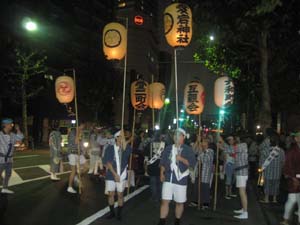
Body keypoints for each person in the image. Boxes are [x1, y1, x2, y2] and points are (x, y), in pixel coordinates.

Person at [157, 128, 196, 225]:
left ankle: (177, 220)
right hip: (168, 178)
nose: (176, 137)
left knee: (179, 202)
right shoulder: (168, 148)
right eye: (175, 135)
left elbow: (192, 164)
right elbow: (163, 162)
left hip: (181, 179)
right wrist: (162, 173)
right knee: (165, 201)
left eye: (178, 135)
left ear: (183, 137)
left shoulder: (188, 149)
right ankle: (162, 221)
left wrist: (181, 159)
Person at [103, 130, 132, 221]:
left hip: (122, 175)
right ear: (116, 138)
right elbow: (107, 162)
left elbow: (127, 153)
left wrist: (126, 142)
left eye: (123, 137)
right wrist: (115, 174)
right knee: (111, 194)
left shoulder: (126, 148)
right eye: (121, 136)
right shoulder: (110, 148)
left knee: (120, 195)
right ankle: (112, 212)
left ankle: (119, 214)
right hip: (111, 174)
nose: (123, 138)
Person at [280, 131, 300, 225]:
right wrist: (294, 178)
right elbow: (287, 167)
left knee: (292, 200)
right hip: (294, 179)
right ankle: (286, 219)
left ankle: (286, 219)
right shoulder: (291, 151)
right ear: (296, 139)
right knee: (292, 200)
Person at [259, 134, 285, 203]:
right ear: (277, 142)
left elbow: (261, 162)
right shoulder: (281, 151)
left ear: (270, 142)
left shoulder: (265, 151)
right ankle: (274, 199)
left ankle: (266, 199)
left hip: (268, 172)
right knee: (276, 186)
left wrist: (261, 169)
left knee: (267, 185)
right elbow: (283, 162)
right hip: (277, 173)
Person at [0, 119, 23, 194]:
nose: (12, 126)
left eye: (12, 124)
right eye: (10, 124)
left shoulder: (12, 134)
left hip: (10, 159)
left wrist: (18, 129)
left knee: (8, 174)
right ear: (5, 125)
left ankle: (5, 188)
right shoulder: (0, 134)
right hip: (1, 159)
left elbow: (20, 137)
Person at [67, 124, 87, 194]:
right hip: (72, 153)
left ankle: (77, 177)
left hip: (79, 153)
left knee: (86, 166)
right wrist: (78, 133)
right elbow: (76, 142)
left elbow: (81, 143)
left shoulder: (81, 132)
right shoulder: (72, 132)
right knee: (73, 170)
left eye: (83, 127)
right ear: (78, 126)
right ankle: (69, 187)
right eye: (82, 126)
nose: (83, 128)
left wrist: (84, 151)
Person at [233, 137, 249, 219]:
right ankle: (243, 209)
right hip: (242, 172)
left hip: (241, 172)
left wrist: (221, 143)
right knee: (243, 192)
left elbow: (231, 150)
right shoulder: (243, 146)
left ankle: (245, 213)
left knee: (242, 193)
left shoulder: (241, 146)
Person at [147, 133, 166, 202]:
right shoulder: (164, 145)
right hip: (162, 166)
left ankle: (154, 197)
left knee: (153, 183)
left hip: (152, 166)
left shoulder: (150, 145)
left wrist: (146, 167)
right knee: (161, 183)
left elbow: (146, 155)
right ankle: (161, 197)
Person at [198, 138, 214, 209]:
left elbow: (206, 159)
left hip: (206, 173)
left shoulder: (210, 151)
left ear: (207, 144)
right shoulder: (202, 151)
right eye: (202, 142)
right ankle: (202, 201)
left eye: (204, 142)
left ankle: (206, 203)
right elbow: (198, 159)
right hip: (201, 172)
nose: (202, 144)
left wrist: (203, 151)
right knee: (202, 187)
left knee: (205, 187)